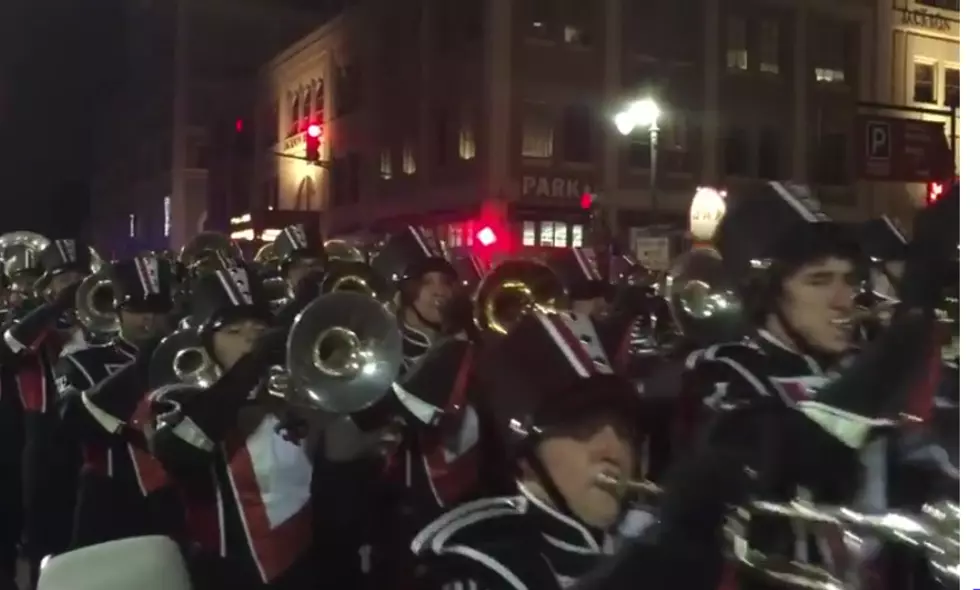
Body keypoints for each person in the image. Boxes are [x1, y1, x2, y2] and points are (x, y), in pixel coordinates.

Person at [680, 181, 956, 589]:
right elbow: (789, 450)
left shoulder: (855, 367)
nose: (844, 299)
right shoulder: (723, 371)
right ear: (765, 293)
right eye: (819, 280)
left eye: (848, 279)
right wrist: (908, 332)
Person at [145, 261, 315, 590]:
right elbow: (180, 453)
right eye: (234, 332)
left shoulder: (294, 392)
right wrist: (253, 364)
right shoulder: (178, 396)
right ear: (206, 343)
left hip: (305, 562)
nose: (251, 340)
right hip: (229, 574)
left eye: (260, 331)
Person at [54, 255, 181, 548]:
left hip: (177, 498)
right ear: (118, 312)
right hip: (108, 499)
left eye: (157, 308)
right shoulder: (81, 361)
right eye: (137, 308)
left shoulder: (187, 358)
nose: (149, 318)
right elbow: (69, 423)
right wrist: (145, 363)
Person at [0, 238, 92, 582]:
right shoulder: (27, 317)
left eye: (80, 274)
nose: (73, 283)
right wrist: (56, 307)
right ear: (48, 284)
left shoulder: (106, 310)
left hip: (96, 434)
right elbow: (8, 350)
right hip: (44, 434)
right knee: (44, 532)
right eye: (63, 277)